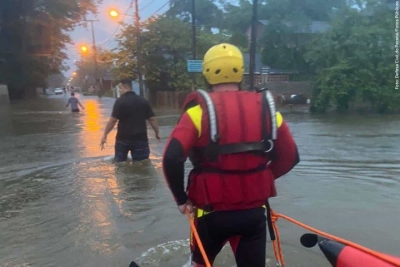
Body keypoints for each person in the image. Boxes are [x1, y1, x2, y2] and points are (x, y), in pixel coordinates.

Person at [162, 43, 300, 267]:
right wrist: (258, 178)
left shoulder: (197, 113)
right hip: (253, 215)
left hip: (211, 215)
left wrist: (181, 199)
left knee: (199, 263)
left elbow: (171, 158)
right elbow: (291, 156)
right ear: (240, 71)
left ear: (206, 73)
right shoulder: (268, 111)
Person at [100, 79, 160, 162]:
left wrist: (105, 134)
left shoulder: (120, 101)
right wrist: (157, 133)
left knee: (120, 165)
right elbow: (152, 119)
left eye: (120, 88)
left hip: (123, 138)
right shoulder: (143, 101)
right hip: (141, 138)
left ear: (126, 87)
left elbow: (112, 120)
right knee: (142, 164)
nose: (119, 91)